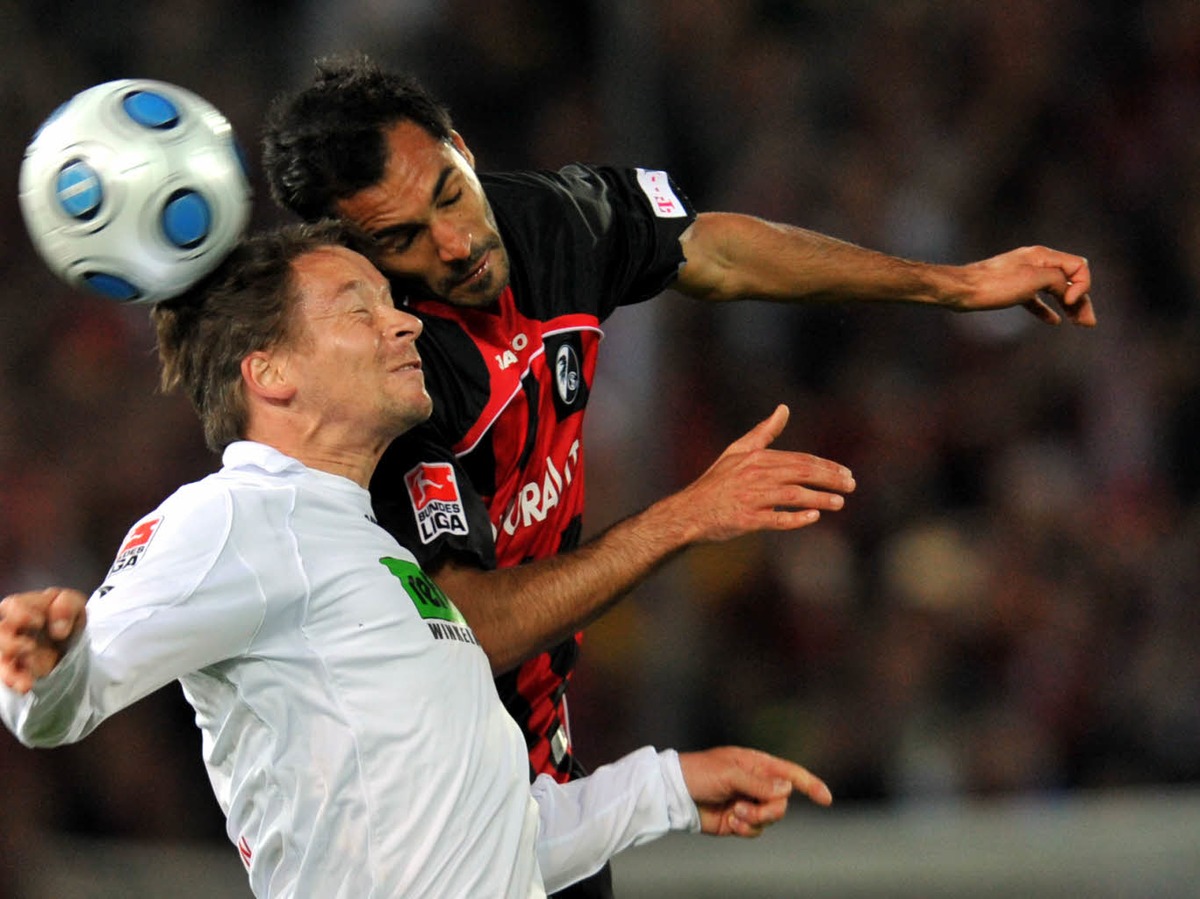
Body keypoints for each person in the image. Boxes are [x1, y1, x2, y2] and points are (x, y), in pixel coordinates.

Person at [261, 56, 1094, 898]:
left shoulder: (545, 220)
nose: (454, 241)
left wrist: (952, 285)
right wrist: (685, 516)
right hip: (407, 817)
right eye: (400, 238)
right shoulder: (381, 387)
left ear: (462, 149)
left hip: (529, 774)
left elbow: (711, 248)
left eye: (448, 191)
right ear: (350, 258)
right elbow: (471, 627)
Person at [0, 221, 835, 899]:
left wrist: (670, 788)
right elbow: (64, 702)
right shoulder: (235, 516)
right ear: (272, 372)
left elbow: (489, 843)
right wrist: (41, 666)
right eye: (358, 309)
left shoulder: (377, 553)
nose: (404, 322)